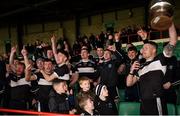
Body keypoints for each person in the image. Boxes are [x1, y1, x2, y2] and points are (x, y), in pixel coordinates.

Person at [126, 23, 177, 115]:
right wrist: (131, 71)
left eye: (146, 48)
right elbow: (129, 83)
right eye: (142, 48)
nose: (143, 50)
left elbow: (173, 41)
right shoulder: (141, 66)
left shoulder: (160, 60)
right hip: (143, 103)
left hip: (156, 102)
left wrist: (169, 23)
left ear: (154, 50)